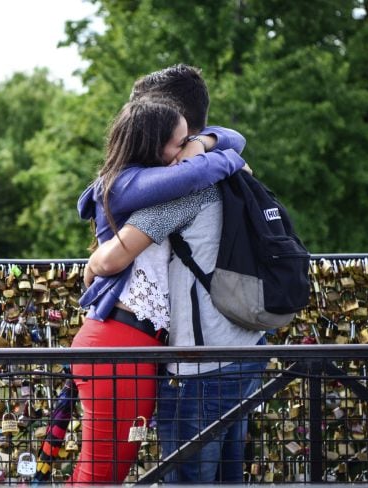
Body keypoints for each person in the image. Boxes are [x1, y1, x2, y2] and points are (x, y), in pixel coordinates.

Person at [84, 64, 267, 483]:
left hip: (199, 364)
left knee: (184, 478)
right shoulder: (233, 178)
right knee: (228, 475)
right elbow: (231, 143)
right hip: (247, 345)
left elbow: (111, 259)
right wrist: (220, 150)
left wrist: (94, 263)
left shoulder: (182, 190)